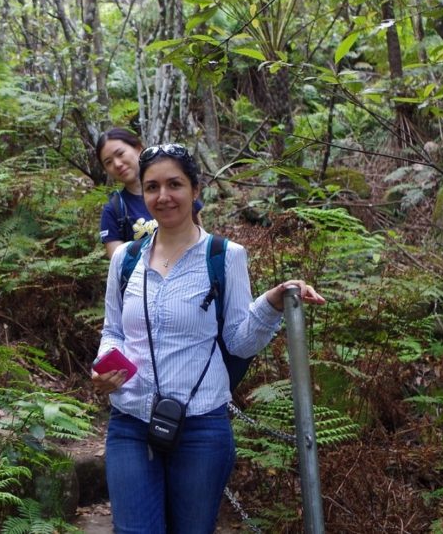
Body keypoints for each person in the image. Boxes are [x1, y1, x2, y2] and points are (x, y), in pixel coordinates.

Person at [91, 142, 326, 534]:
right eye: (152, 187)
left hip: (200, 424)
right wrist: (105, 367)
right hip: (130, 421)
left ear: (196, 190)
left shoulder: (224, 255)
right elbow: (113, 330)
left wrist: (270, 302)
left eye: (175, 185)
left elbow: (238, 341)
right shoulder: (125, 259)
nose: (163, 197)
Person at [96, 128, 201, 259]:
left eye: (120, 153)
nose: (117, 164)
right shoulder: (114, 210)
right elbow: (120, 262)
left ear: (138, 148)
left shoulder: (180, 191)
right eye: (108, 162)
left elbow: (200, 237)